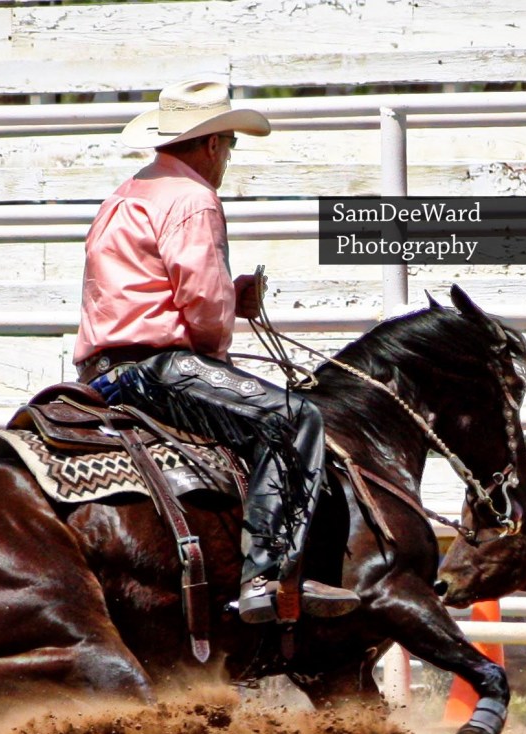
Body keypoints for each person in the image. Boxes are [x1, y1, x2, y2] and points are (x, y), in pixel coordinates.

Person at [74, 80, 359, 625]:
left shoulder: (128, 193)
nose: (227, 157)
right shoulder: (192, 198)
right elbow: (201, 302)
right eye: (229, 146)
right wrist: (222, 328)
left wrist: (231, 296)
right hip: (158, 368)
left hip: (102, 371)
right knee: (296, 418)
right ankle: (268, 577)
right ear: (210, 145)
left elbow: (143, 287)